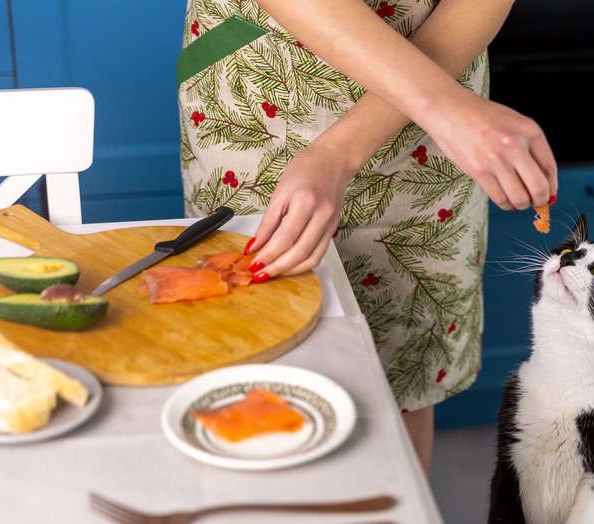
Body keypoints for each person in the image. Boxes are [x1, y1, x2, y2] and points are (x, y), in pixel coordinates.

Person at [178, 0, 557, 475]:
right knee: (254, 360)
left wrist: (347, 147)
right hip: (264, 94)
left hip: (437, 94)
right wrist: (448, 107)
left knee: (405, 376)